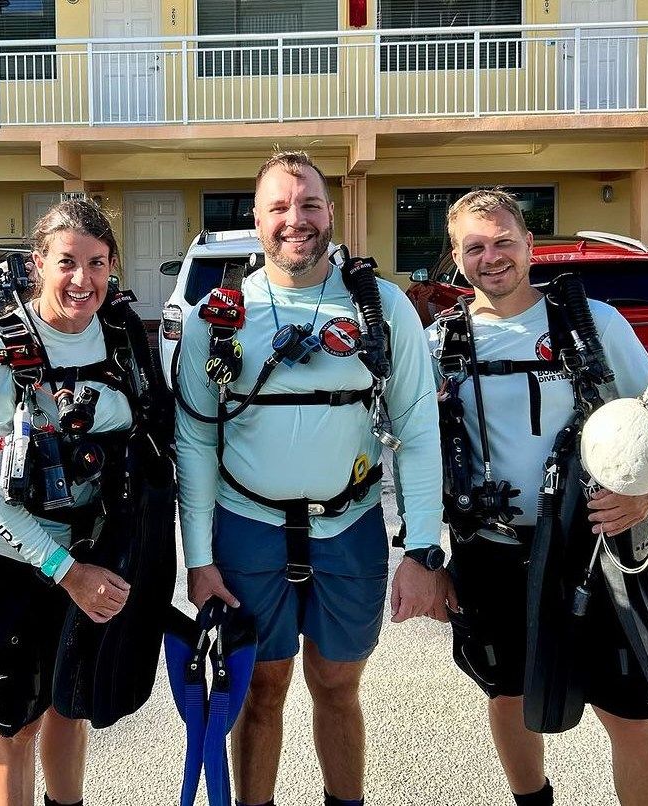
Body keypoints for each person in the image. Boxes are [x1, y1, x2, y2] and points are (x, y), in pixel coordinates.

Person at [174, 151, 445, 806]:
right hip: (249, 533)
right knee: (261, 691)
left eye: (310, 205)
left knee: (337, 687)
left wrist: (423, 550)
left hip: (349, 531)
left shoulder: (380, 306)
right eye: (279, 207)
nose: (296, 220)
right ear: (257, 220)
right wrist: (200, 560)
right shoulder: (218, 314)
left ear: (330, 213)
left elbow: (416, 429)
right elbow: (194, 441)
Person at [429, 188, 648, 806]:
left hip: (592, 547)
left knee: (628, 711)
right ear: (456, 256)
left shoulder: (592, 323)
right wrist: (428, 558)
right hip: (491, 551)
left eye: (502, 242)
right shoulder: (441, 343)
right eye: (474, 247)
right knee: (511, 694)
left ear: (528, 244)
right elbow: (416, 452)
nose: (491, 257)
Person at [0, 199, 171, 806]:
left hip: (98, 553)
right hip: (15, 565)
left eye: (97, 264)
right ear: (36, 265)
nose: (83, 280)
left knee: (71, 706)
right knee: (13, 719)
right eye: (67, 263)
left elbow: (153, 440)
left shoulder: (123, 337)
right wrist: (65, 571)